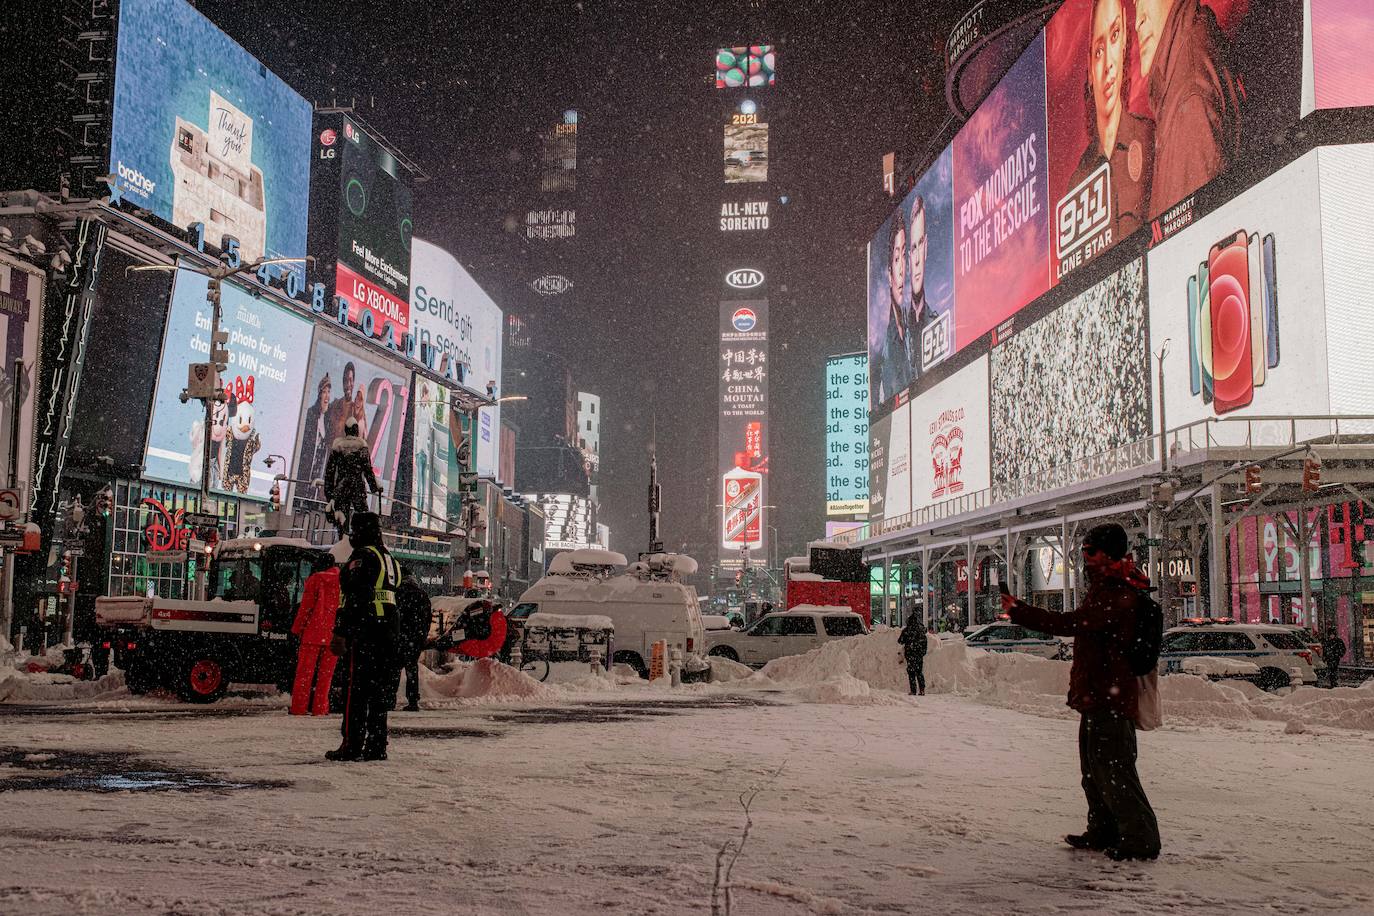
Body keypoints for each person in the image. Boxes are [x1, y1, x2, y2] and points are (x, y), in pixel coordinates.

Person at [1001, 523, 1161, 861]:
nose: (1084, 559)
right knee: (1093, 769)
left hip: (1111, 697)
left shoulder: (1118, 593)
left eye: (1089, 551)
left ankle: (1141, 838)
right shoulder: (1105, 587)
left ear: (1106, 554)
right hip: (1098, 694)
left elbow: (1071, 624)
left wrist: (1020, 611)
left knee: (1115, 770)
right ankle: (1103, 828)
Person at [1133, 0, 1241, 219]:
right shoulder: (1178, 76)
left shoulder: (1187, 91)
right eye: (1135, 3)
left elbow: (1194, 242)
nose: (1138, 21)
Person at [1068, 0, 1154, 241]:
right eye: (1098, 51)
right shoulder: (1079, 181)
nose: (1108, 65)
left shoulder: (1150, 138)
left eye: (1115, 35)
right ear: (1089, 69)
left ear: (1126, 38)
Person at [327, 512, 402, 762]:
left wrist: (342, 631)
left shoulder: (363, 557)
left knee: (356, 692)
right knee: (378, 693)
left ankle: (351, 744)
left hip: (367, 630)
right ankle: (377, 744)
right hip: (388, 631)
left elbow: (355, 598)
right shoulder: (388, 558)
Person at [871, 209, 914, 405]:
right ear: (889, 274)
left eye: (904, 255)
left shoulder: (916, 324)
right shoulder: (883, 353)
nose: (902, 267)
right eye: (897, 259)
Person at [289, 557, 341, 716]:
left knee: (304, 674)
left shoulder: (315, 580)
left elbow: (306, 608)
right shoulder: (343, 582)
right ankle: (321, 707)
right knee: (326, 676)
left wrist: (296, 629)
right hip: (333, 634)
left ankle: (299, 707)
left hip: (313, 632)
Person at [323, 416, 382, 535]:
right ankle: (361, 540)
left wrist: (329, 493)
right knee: (363, 518)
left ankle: (343, 543)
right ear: (356, 430)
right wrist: (375, 487)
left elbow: (330, 472)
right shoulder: (361, 446)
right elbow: (367, 470)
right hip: (357, 488)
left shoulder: (338, 446)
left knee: (342, 520)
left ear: (346, 430)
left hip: (342, 488)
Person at [394, 571, 433, 712]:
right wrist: (423, 635)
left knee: (394, 668)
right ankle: (412, 701)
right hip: (415, 639)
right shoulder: (422, 594)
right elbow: (428, 618)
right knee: (412, 669)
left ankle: (389, 699)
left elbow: (394, 614)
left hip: (399, 637)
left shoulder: (397, 593)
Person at [299, 374, 332, 500]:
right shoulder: (311, 414)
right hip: (306, 470)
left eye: (329, 392)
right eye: (324, 392)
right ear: (319, 394)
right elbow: (304, 444)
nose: (327, 396)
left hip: (319, 473)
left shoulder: (328, 419)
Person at [899, 611, 928, 696]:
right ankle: (922, 690)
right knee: (919, 672)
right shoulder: (921, 630)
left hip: (910, 653)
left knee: (911, 672)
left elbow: (900, 641)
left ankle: (913, 690)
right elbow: (925, 641)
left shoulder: (907, 630)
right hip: (919, 654)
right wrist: (922, 652)